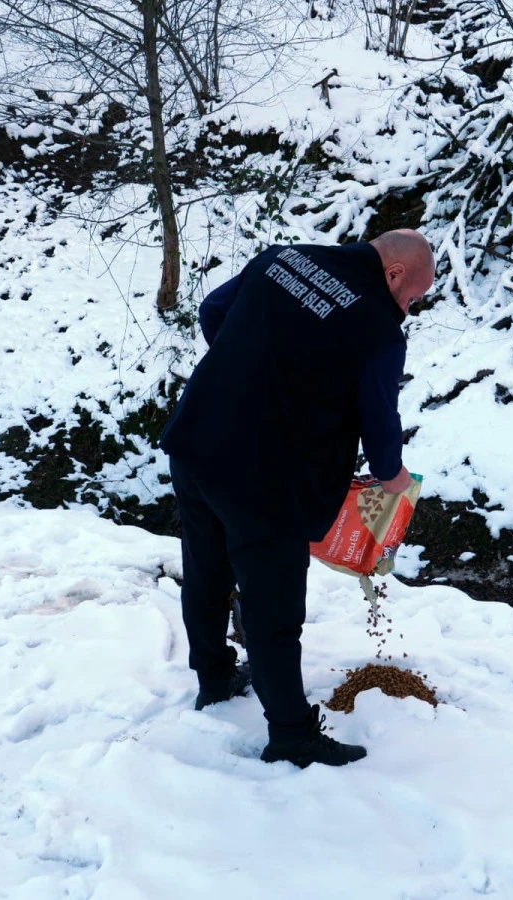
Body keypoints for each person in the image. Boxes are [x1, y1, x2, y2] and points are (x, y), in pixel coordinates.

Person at [158, 229, 435, 768]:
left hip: (197, 439)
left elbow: (214, 311)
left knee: (208, 569)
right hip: (267, 478)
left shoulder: (284, 259)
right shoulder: (378, 328)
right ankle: (291, 734)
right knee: (273, 607)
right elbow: (380, 422)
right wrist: (394, 476)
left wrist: (250, 377)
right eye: (412, 297)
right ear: (395, 273)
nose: (409, 308)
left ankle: (214, 678)